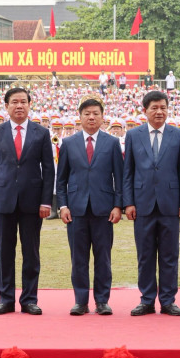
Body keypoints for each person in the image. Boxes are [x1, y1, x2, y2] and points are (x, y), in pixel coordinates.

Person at [0, 87, 55, 315]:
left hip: (32, 202)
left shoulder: (41, 133)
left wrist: (46, 202)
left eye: (23, 101)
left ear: (29, 105)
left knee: (31, 252)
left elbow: (49, 170)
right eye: (14, 102)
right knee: (5, 252)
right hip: (3, 201)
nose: (19, 106)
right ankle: (6, 299)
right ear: (7, 106)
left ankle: (29, 299)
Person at [123, 91, 180, 316]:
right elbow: (128, 172)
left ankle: (168, 301)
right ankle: (147, 300)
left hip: (170, 204)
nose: (159, 112)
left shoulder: (177, 135)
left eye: (163, 107)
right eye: (154, 108)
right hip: (142, 205)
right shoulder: (133, 135)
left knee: (170, 255)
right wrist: (128, 203)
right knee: (145, 255)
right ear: (145, 111)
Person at [56, 94, 123, 316]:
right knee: (78, 258)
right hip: (75, 210)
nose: (91, 117)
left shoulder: (112, 143)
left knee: (103, 258)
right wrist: (63, 206)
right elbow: (61, 179)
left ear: (103, 117)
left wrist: (118, 206)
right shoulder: (68, 143)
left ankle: (102, 301)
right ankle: (80, 301)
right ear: (80, 117)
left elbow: (119, 177)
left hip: (104, 210)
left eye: (95, 114)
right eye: (87, 114)